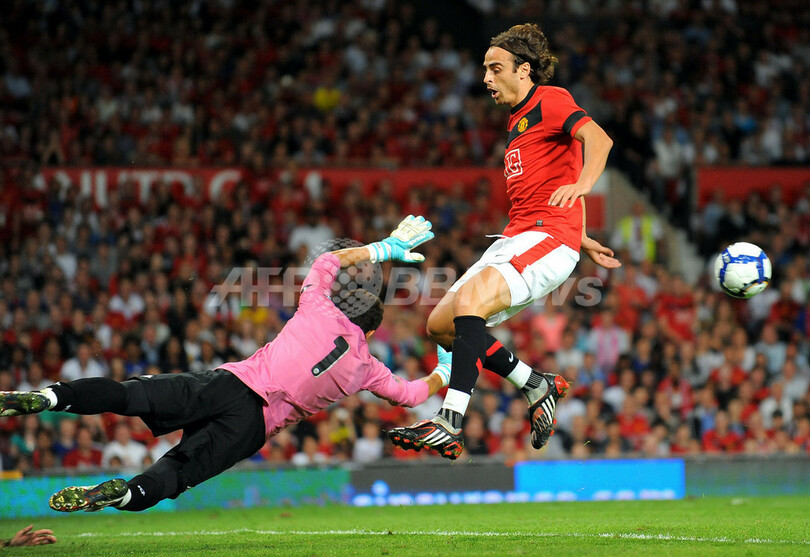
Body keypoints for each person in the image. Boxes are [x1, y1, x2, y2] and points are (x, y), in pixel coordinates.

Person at [0, 216, 450, 513]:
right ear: (370, 332)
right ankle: (125, 493)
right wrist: (444, 369)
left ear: (346, 307)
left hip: (231, 384)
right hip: (251, 428)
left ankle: (49, 397)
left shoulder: (317, 307)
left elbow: (328, 260)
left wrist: (385, 248)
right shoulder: (366, 368)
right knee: (176, 472)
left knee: (128, 395)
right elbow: (411, 395)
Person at [388, 24, 619, 460]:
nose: (486, 79)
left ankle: (450, 420)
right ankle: (535, 384)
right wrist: (584, 234)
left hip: (547, 235)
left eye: (495, 69)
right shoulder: (517, 119)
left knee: (471, 301)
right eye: (485, 70)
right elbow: (562, 171)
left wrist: (585, 189)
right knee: (440, 325)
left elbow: (598, 140)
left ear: (524, 69)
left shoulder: (550, 99)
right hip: (520, 234)